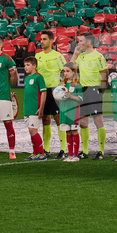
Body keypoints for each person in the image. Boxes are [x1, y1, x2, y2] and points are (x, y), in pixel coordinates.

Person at [73, 32, 108, 159]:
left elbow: (104, 74)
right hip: (83, 90)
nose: (79, 43)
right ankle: (85, 151)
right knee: (83, 121)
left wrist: (101, 92)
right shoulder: (80, 56)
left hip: (94, 90)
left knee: (98, 120)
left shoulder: (98, 56)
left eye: (81, 40)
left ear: (88, 42)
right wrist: (75, 53)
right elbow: (70, 67)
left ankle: (101, 151)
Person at [36, 29, 67, 158]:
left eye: (44, 39)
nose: (41, 42)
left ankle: (63, 149)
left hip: (55, 90)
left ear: (51, 41)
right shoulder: (38, 56)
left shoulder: (58, 56)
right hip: (43, 90)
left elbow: (66, 71)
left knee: (59, 118)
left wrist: (63, 84)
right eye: (41, 39)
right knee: (45, 119)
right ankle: (46, 149)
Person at [21, 56, 48, 161]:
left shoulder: (38, 77)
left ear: (34, 66)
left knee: (33, 130)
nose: (25, 67)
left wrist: (41, 108)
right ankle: (35, 152)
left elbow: (43, 92)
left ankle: (42, 153)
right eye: (24, 65)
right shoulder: (27, 79)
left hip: (35, 109)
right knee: (30, 131)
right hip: (27, 109)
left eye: (28, 65)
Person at [58, 62, 83, 162]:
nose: (65, 73)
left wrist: (71, 96)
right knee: (67, 132)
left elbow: (80, 98)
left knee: (74, 131)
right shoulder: (62, 84)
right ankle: (70, 155)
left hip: (74, 111)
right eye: (64, 71)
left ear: (73, 72)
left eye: (68, 71)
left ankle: (76, 155)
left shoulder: (77, 84)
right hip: (64, 110)